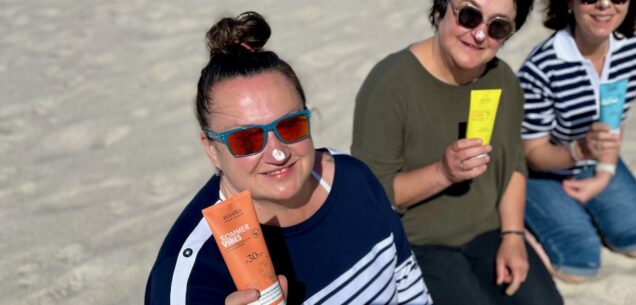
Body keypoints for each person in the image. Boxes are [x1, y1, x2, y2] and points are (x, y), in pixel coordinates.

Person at [145, 12, 431, 305]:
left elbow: (408, 285)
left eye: (290, 125)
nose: (278, 153)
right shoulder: (192, 275)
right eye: (247, 140)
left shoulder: (354, 179)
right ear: (211, 149)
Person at [352, 1, 563, 304]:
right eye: (469, 15)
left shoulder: (502, 79)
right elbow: (372, 196)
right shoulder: (389, 84)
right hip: (419, 243)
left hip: (488, 230)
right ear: (439, 10)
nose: (479, 34)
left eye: (498, 26)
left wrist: (514, 236)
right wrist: (443, 173)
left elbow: (513, 163)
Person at [517, 0, 636, 282]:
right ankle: (515, 223)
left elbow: (614, 122)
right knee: (577, 265)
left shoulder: (633, 51)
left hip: (591, 158)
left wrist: (604, 174)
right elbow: (532, 153)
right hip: (537, 170)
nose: (604, 4)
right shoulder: (542, 68)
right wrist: (581, 150)